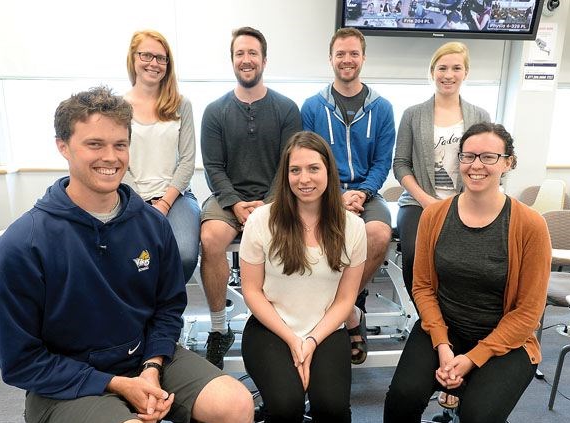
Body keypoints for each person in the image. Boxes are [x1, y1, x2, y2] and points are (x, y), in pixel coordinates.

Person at [0, 86, 253, 423]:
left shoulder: (152, 225)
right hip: (65, 382)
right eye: (94, 144)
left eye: (120, 145)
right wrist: (115, 384)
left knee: (237, 405)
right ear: (63, 146)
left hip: (144, 359)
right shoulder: (22, 245)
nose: (110, 157)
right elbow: (20, 362)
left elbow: (167, 308)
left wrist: (151, 366)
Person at [383, 122, 551, 423]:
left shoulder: (529, 225)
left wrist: (472, 359)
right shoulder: (435, 216)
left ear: (508, 163)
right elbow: (424, 288)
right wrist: (444, 347)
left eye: (489, 156)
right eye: (469, 156)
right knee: (401, 401)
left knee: (479, 420)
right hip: (443, 329)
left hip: (508, 342)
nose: (476, 165)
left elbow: (528, 312)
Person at [240, 131, 366, 423]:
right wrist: (293, 339)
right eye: (295, 170)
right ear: (285, 174)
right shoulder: (261, 220)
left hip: (326, 329)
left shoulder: (353, 227)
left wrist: (309, 340)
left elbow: (345, 299)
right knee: (284, 406)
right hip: (271, 327)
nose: (304, 178)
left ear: (328, 171)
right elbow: (252, 291)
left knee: (332, 408)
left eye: (313, 168)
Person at [199, 26, 301, 369]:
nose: (246, 59)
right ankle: (218, 329)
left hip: (276, 198)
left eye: (252, 53)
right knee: (211, 238)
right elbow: (213, 166)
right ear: (232, 61)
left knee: (287, 237)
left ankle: (281, 323)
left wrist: (269, 204)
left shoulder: (287, 109)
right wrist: (234, 203)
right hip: (228, 198)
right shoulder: (215, 111)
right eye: (240, 54)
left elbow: (290, 162)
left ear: (264, 60)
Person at [301, 27, 394, 365]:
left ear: (363, 58)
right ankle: (348, 312)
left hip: (368, 195)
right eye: (340, 53)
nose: (347, 59)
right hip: (324, 195)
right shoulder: (312, 107)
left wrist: (362, 193)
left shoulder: (382, 109)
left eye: (353, 53)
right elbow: (308, 159)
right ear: (331, 59)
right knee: (315, 237)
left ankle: (344, 306)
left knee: (379, 233)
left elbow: (383, 162)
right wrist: (337, 196)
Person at [394, 41, 490, 302]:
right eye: (442, 68)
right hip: (417, 202)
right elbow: (400, 163)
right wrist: (427, 201)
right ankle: (423, 313)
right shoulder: (412, 115)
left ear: (466, 73)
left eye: (456, 68)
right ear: (432, 71)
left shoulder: (479, 116)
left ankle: (455, 311)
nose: (448, 75)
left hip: (464, 201)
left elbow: (485, 163)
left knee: (467, 257)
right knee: (415, 253)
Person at [124, 30, 200, 283]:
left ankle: (169, 313)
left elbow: (188, 160)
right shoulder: (117, 107)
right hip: (130, 196)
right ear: (133, 58)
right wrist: (139, 203)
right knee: (134, 257)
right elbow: (117, 161)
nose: (154, 63)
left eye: (161, 58)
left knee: (185, 254)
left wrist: (164, 204)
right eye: (146, 55)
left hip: (175, 196)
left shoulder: (180, 105)